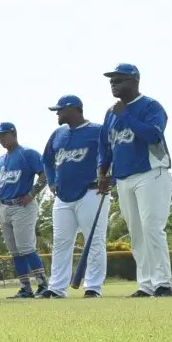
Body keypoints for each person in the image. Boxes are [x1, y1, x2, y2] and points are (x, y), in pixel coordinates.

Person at [98, 63, 172, 297]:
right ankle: (146, 284)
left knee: (152, 228)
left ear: (134, 81)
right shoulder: (110, 113)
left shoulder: (150, 106)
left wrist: (127, 115)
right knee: (137, 233)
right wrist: (102, 173)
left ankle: (163, 283)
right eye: (112, 80)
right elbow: (105, 146)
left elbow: (153, 134)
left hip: (151, 172)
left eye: (119, 79)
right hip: (124, 178)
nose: (114, 83)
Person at [42, 95, 108, 299]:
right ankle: (57, 287)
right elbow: (47, 160)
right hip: (63, 196)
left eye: (60, 110)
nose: (57, 114)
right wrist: (52, 181)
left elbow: (111, 155)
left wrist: (108, 176)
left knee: (94, 240)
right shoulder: (58, 134)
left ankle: (93, 287)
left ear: (74, 109)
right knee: (61, 241)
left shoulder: (97, 131)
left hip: (92, 192)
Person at [0, 122, 49, 298]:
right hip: (5, 206)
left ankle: (43, 284)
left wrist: (33, 193)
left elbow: (44, 174)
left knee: (26, 247)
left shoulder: (27, 153)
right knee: (14, 250)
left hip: (23, 206)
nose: (1, 139)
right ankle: (25, 287)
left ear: (13, 133)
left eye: (4, 135)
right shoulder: (0, 160)